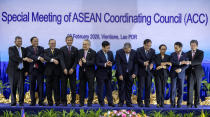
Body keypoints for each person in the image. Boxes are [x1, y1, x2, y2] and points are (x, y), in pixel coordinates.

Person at [6, 36, 31, 106]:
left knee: (21, 87)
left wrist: (26, 71)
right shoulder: (11, 48)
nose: (20, 42)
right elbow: (13, 57)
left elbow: (26, 62)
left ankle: (21, 102)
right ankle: (13, 102)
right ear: (15, 42)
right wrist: (23, 59)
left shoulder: (24, 49)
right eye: (18, 41)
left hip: (22, 70)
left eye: (21, 41)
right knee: (13, 86)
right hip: (13, 71)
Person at [115, 42, 137, 107]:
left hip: (131, 74)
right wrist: (120, 74)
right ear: (124, 48)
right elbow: (118, 64)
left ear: (130, 48)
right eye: (126, 50)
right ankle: (121, 102)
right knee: (121, 88)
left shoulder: (134, 52)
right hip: (121, 74)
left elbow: (136, 64)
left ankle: (128, 103)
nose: (127, 51)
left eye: (128, 50)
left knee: (129, 89)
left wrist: (135, 73)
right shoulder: (119, 52)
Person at [26, 36, 45, 106]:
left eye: (37, 41)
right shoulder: (28, 49)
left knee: (41, 87)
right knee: (32, 87)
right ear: (31, 42)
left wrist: (36, 58)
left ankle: (41, 101)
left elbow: (42, 56)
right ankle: (33, 101)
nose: (36, 42)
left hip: (40, 70)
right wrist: (38, 57)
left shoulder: (41, 48)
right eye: (35, 41)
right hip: (32, 70)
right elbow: (29, 55)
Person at [136, 39, 155, 107]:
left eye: (150, 46)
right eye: (147, 46)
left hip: (149, 72)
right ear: (144, 44)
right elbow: (137, 59)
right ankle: (140, 102)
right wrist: (143, 63)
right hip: (141, 72)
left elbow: (153, 59)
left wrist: (152, 64)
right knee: (141, 87)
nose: (148, 47)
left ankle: (147, 102)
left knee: (148, 87)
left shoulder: (152, 51)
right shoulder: (139, 50)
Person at [60, 36, 78, 106]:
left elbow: (76, 60)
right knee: (63, 87)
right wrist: (64, 68)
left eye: (71, 40)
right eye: (68, 40)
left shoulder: (75, 49)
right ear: (66, 41)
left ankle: (73, 101)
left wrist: (73, 68)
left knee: (73, 87)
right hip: (63, 71)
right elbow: (61, 60)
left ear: (72, 41)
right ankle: (64, 101)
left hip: (72, 72)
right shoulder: (62, 49)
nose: (69, 41)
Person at [170, 42, 189, 108]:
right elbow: (172, 62)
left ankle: (179, 103)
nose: (175, 49)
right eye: (174, 47)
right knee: (173, 89)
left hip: (181, 74)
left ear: (180, 48)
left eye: (176, 48)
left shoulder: (185, 55)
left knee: (181, 89)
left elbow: (187, 65)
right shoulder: (172, 54)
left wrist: (181, 69)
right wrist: (181, 62)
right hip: (173, 73)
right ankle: (172, 104)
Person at [96, 41, 115, 107]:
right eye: (107, 48)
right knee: (100, 89)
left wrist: (111, 63)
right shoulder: (98, 53)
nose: (108, 49)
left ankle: (110, 102)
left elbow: (113, 61)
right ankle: (101, 102)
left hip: (108, 74)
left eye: (109, 48)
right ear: (103, 47)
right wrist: (105, 64)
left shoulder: (110, 53)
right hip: (100, 74)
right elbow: (97, 63)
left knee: (109, 88)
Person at [186, 40, 204, 108]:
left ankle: (197, 103)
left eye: (194, 45)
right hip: (190, 73)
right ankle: (189, 104)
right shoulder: (187, 53)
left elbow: (199, 61)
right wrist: (186, 74)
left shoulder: (201, 52)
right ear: (190, 45)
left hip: (198, 73)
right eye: (191, 45)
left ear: (197, 45)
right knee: (189, 89)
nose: (192, 46)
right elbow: (186, 65)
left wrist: (190, 62)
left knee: (197, 88)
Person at [78, 39, 96, 107]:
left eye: (85, 44)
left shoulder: (93, 52)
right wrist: (78, 62)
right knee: (81, 88)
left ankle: (89, 103)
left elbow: (93, 62)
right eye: (83, 44)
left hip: (90, 73)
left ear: (89, 45)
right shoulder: (79, 51)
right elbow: (77, 59)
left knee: (91, 88)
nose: (84, 45)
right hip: (82, 73)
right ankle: (81, 103)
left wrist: (86, 62)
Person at [44, 39, 62, 106]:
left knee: (56, 88)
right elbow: (45, 57)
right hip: (48, 73)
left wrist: (51, 59)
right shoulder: (45, 51)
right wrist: (53, 60)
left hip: (56, 73)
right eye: (51, 43)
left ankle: (57, 102)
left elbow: (59, 57)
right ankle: (50, 102)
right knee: (48, 88)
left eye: (54, 43)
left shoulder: (58, 50)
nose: (53, 44)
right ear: (49, 44)